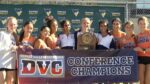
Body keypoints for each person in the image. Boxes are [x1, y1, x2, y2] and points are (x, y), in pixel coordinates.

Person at [0, 16, 18, 84]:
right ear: (6, 25)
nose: (12, 26)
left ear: (16, 25)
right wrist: (10, 48)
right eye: (10, 24)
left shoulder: (15, 36)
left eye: (14, 24)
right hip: (2, 64)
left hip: (11, 64)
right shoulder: (2, 34)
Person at [134, 16, 150, 84]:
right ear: (138, 24)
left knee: (147, 81)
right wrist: (136, 49)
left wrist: (146, 49)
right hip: (141, 58)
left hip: (149, 57)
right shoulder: (137, 36)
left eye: (144, 23)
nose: (142, 25)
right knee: (142, 81)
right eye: (140, 23)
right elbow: (134, 47)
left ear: (147, 24)